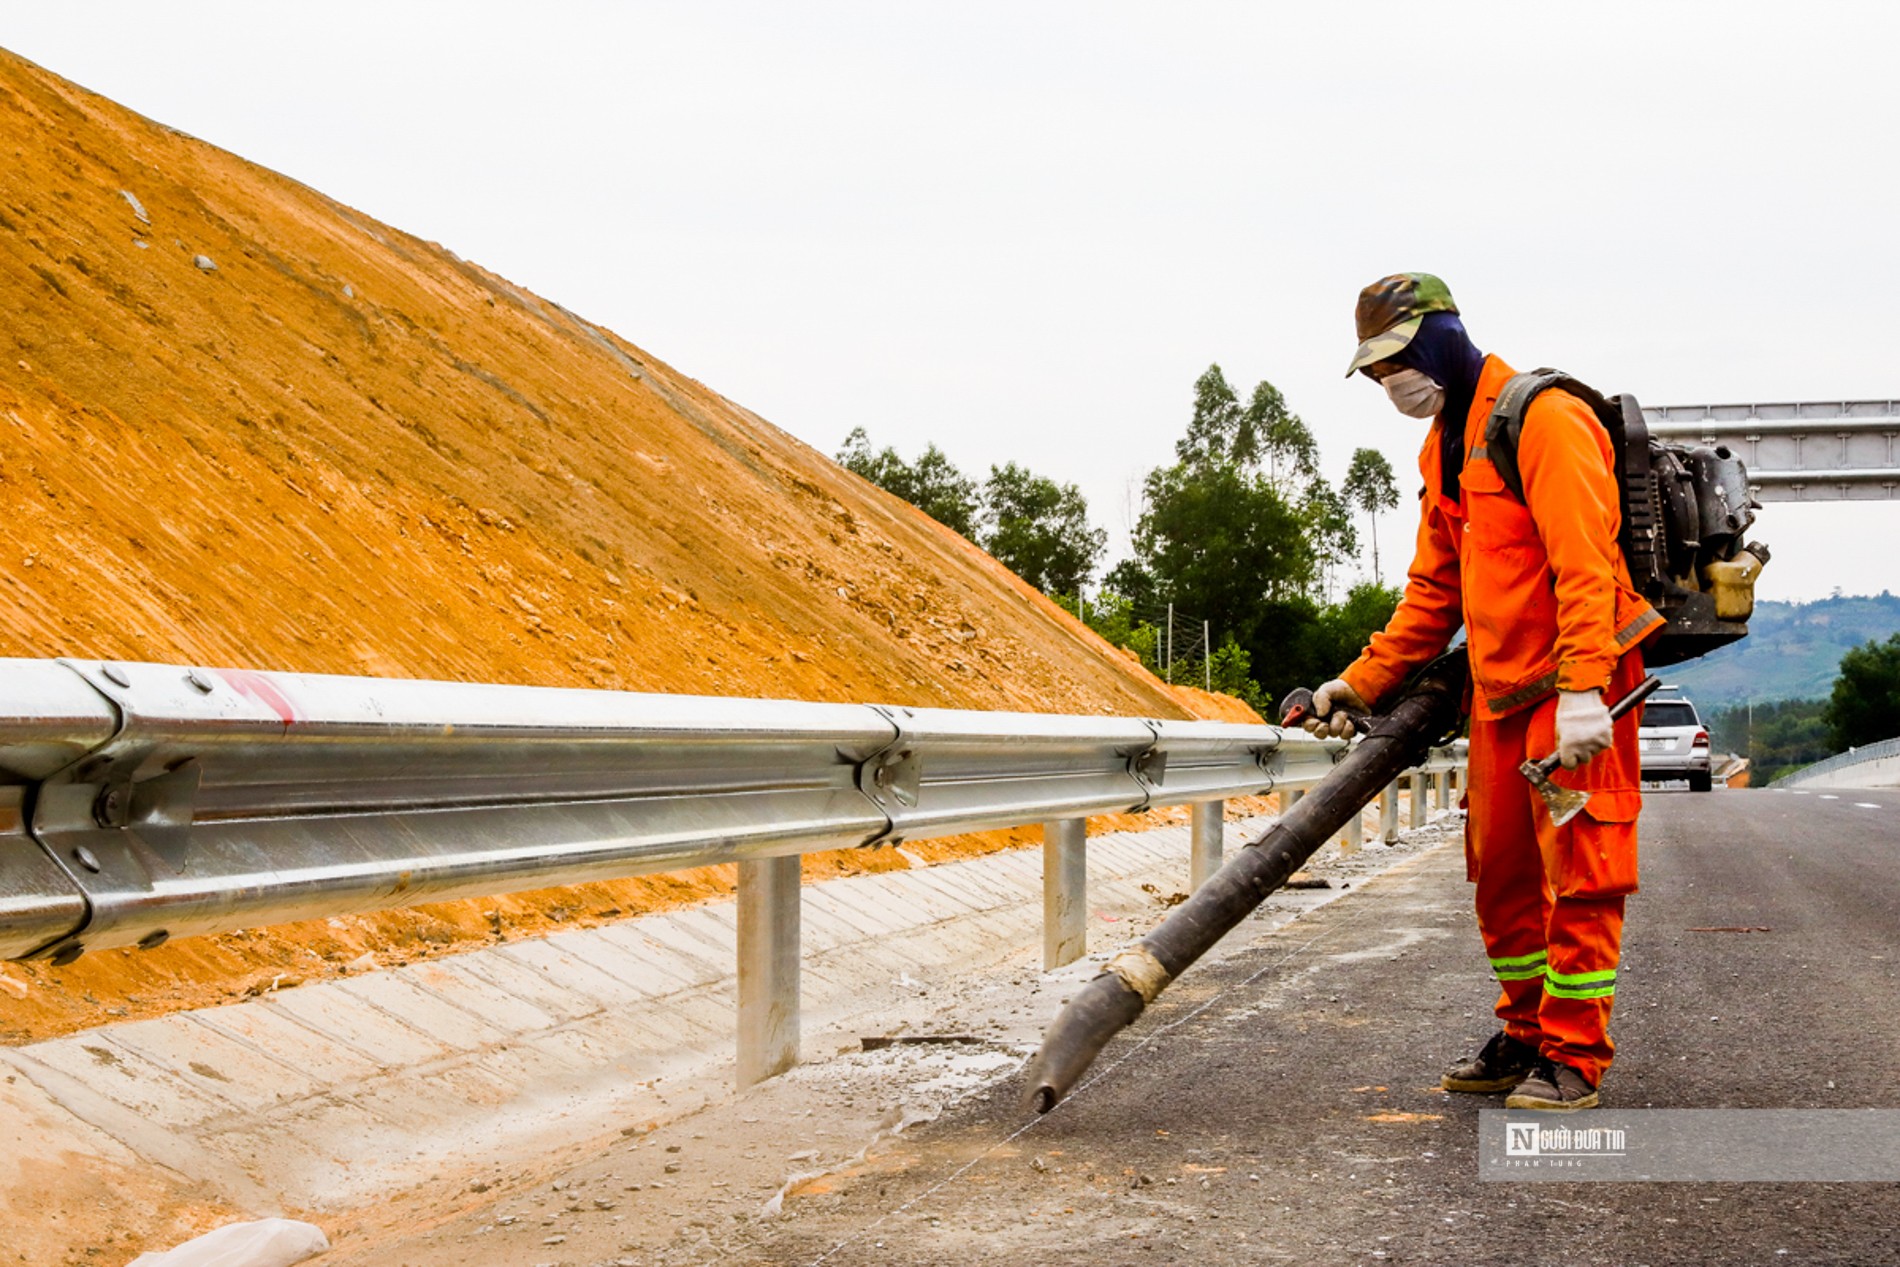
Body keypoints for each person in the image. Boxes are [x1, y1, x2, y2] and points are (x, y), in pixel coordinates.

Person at [1305, 273, 1661, 1112]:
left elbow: (1585, 562)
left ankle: (1575, 1057)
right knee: (1500, 878)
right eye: (1376, 370)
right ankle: (1528, 1033)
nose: (1390, 380)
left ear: (1443, 335)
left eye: (1398, 358)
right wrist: (1359, 681)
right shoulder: (1444, 445)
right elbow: (1434, 589)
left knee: (1581, 876)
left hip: (1579, 687)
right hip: (1500, 698)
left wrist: (1582, 688)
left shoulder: (1545, 419)